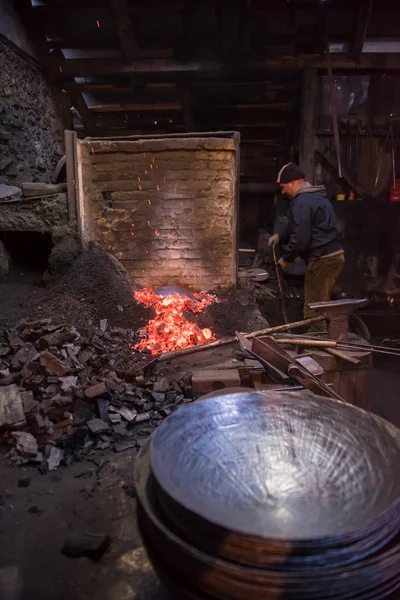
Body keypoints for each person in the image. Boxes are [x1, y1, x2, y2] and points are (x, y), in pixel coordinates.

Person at [268, 162, 344, 332]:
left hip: (322, 259)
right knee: (321, 300)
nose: (282, 191)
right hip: (334, 256)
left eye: (283, 187)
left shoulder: (301, 202)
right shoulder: (317, 198)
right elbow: (299, 225)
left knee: (313, 306)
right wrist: (280, 235)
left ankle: (319, 343)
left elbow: (301, 237)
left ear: (293, 183)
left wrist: (287, 258)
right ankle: (326, 335)